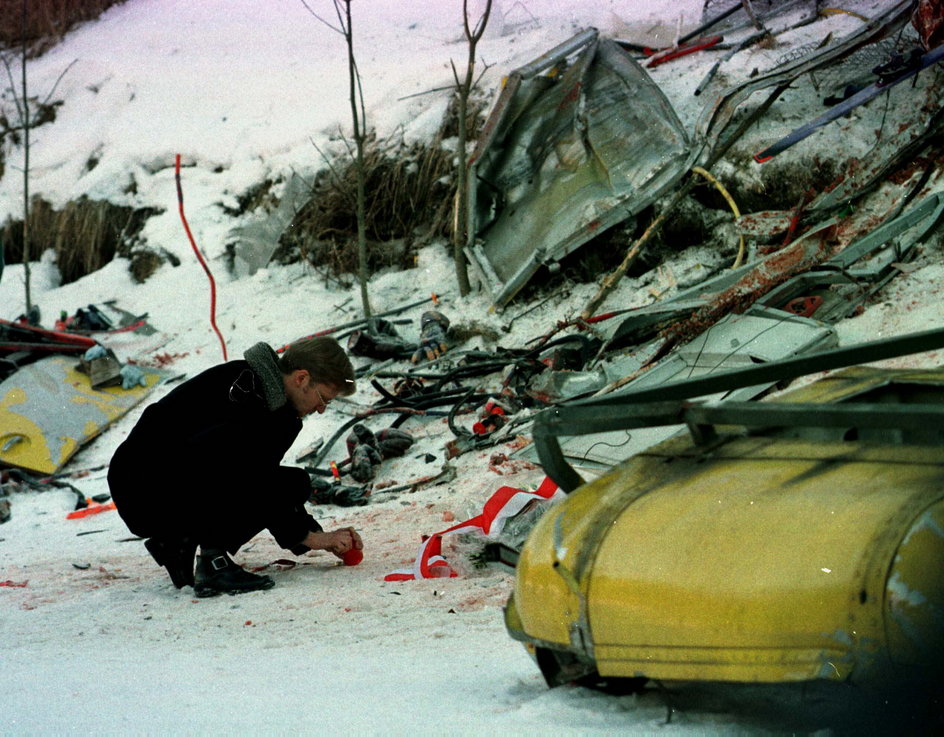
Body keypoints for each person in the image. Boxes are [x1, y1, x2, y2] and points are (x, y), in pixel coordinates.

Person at [107, 337, 363, 597]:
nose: (321, 409)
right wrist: (309, 536)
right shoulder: (252, 398)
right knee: (279, 482)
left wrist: (318, 536)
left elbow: (259, 482)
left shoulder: (264, 392)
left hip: (146, 482)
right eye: (323, 398)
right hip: (145, 486)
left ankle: (176, 543)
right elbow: (245, 477)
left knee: (292, 483)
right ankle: (212, 561)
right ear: (301, 378)